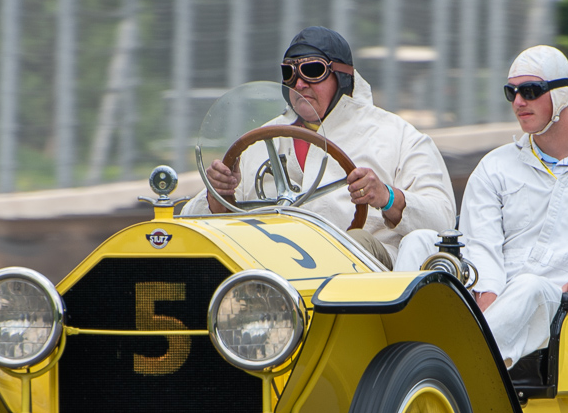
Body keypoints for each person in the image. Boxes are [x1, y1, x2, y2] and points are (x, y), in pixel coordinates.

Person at [393, 45, 568, 365]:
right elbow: (481, 241)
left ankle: (447, 367)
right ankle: (399, 354)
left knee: (529, 287)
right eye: (512, 92)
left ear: (562, 96)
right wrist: (488, 294)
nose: (519, 101)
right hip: (488, 289)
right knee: (419, 242)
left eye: (531, 91)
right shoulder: (494, 166)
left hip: (555, 302)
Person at [190, 26, 454, 266]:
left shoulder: (399, 136)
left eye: (313, 70)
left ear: (342, 78)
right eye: (289, 73)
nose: (300, 83)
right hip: (269, 277)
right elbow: (190, 223)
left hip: (368, 281)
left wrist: (387, 197)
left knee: (356, 242)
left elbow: (442, 222)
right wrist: (219, 195)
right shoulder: (258, 142)